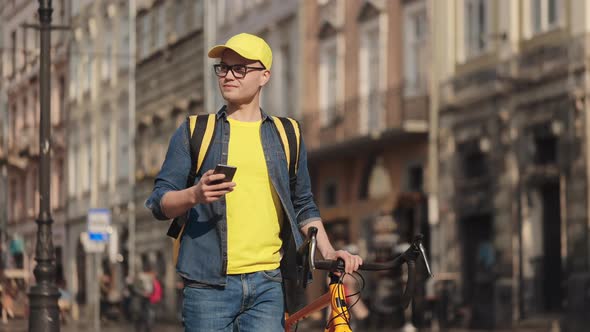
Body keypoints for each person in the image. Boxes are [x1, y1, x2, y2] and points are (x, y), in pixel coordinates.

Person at [145, 32, 363, 331]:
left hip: (267, 284)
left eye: (240, 68)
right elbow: (159, 202)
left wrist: (329, 252)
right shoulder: (195, 131)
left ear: (264, 76)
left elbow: (303, 205)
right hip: (208, 287)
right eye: (223, 68)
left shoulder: (288, 135)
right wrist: (194, 194)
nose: (228, 76)